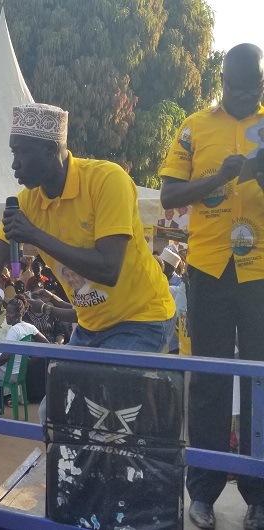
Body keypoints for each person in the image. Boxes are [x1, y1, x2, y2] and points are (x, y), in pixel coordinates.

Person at [0, 103, 175, 420]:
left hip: (141, 320)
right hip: (91, 326)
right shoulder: (27, 202)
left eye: (21, 153)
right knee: (54, 414)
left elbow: (108, 269)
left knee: (111, 410)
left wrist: (35, 235)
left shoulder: (107, 181)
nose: (14, 165)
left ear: (51, 149)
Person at [158, 43, 264, 530]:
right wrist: (216, 179)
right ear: (221, 78)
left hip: (261, 273)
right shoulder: (194, 127)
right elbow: (170, 194)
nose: (243, 94)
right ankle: (202, 493)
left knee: (260, 381)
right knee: (210, 384)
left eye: (252, 85)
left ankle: (259, 494)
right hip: (208, 268)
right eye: (234, 84)